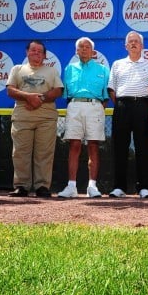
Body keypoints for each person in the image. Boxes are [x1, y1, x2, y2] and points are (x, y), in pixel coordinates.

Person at [6, 40, 64, 198]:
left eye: (40, 51)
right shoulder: (17, 69)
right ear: (27, 52)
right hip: (22, 117)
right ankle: (21, 186)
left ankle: (42, 186)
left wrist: (40, 99)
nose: (36, 53)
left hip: (46, 117)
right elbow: (10, 90)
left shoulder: (51, 71)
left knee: (44, 153)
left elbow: (58, 91)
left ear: (45, 55)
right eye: (33, 50)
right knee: (20, 152)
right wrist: (28, 97)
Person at [57, 37, 110, 199]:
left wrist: (97, 107)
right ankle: (71, 186)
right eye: (81, 47)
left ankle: (92, 187)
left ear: (93, 52)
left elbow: (106, 96)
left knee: (93, 146)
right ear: (76, 51)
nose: (84, 49)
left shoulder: (102, 70)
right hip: (74, 106)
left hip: (95, 107)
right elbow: (66, 94)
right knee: (74, 145)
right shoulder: (69, 69)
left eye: (87, 47)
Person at [107, 31, 148, 198]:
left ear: (142, 46)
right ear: (126, 46)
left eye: (136, 41)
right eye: (130, 42)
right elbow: (112, 89)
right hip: (122, 106)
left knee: (143, 147)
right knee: (120, 147)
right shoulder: (117, 64)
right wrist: (122, 104)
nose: (134, 44)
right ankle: (119, 187)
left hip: (143, 106)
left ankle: (143, 187)